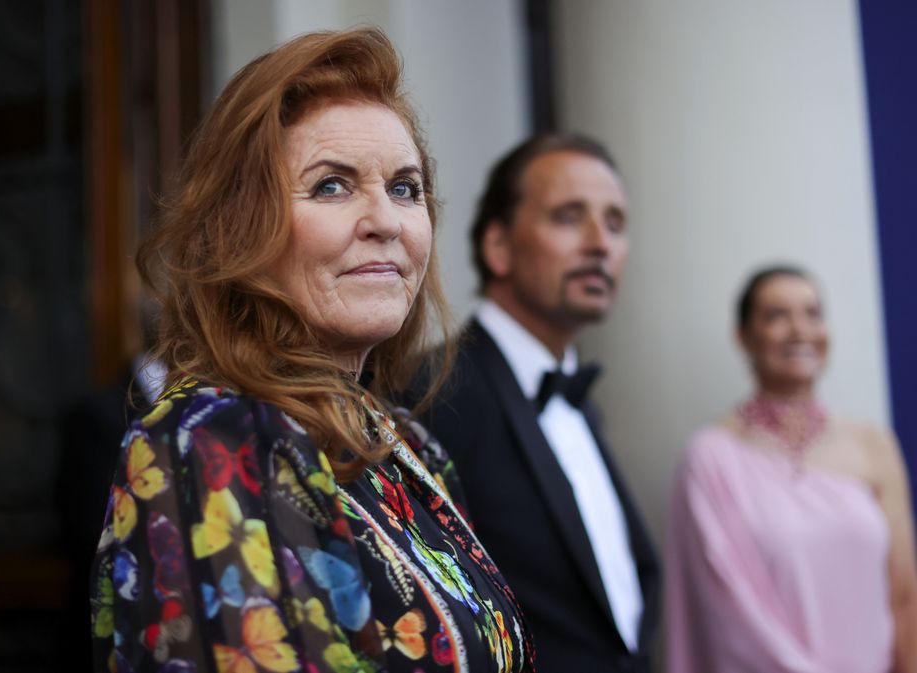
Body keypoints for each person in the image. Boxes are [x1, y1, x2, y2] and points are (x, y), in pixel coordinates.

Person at [89, 28, 535, 673]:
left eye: (405, 188)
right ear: (241, 228)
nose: (386, 220)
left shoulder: (408, 444)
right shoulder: (206, 439)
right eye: (332, 186)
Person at [410, 134, 659, 672]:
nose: (600, 243)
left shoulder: (579, 403)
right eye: (570, 217)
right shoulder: (431, 391)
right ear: (498, 246)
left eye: (615, 223)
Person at [665, 265, 917, 673]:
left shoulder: (875, 445)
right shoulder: (709, 459)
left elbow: (904, 597)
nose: (800, 330)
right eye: (777, 315)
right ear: (744, 336)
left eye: (812, 313)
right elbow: (728, 619)